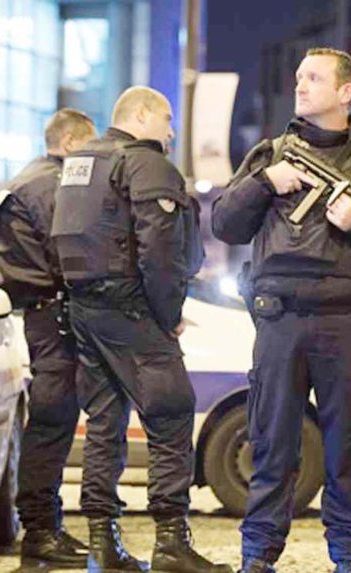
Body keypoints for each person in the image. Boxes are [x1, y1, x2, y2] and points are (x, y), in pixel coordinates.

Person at [212, 48, 351, 573]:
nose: (301, 85)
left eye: (314, 78)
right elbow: (224, 224)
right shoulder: (270, 154)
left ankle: (349, 560)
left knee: (346, 455)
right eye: (298, 77)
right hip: (280, 319)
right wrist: (267, 183)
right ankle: (257, 560)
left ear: (346, 92)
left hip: (350, 322)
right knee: (270, 449)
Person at [51, 86, 228, 572]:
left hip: (85, 309)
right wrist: (168, 316)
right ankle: (171, 543)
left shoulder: (81, 161)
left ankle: (103, 544)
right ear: (142, 115)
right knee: (173, 414)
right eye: (167, 119)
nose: (171, 131)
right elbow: (162, 255)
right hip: (131, 310)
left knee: (105, 423)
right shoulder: (146, 164)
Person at [0, 108, 96, 569]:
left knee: (52, 424)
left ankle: (46, 526)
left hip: (46, 316)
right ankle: (39, 530)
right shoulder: (53, 186)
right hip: (55, 317)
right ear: (73, 143)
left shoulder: (28, 183)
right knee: (52, 423)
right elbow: (68, 253)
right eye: (91, 146)